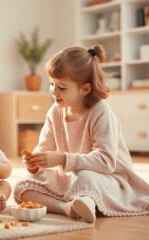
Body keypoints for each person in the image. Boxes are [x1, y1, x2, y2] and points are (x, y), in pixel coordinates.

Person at [13, 45, 149, 223]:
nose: (53, 92)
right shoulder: (55, 111)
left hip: (109, 178)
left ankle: (86, 201)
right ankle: (67, 208)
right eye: (52, 84)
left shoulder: (101, 112)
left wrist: (62, 159)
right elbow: (44, 149)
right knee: (22, 186)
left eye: (61, 87)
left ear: (84, 89)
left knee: (85, 177)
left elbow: (106, 162)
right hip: (72, 177)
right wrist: (35, 163)